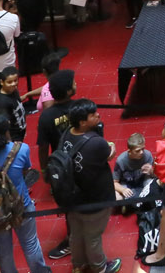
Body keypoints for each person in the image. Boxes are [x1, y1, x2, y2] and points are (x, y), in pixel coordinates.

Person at [0, 112, 52, 273]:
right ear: (7, 132)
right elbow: (26, 171)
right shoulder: (21, 150)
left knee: (3, 249)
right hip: (22, 206)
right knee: (30, 243)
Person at [54, 100, 124, 273]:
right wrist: (112, 146)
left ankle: (78, 265)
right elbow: (109, 154)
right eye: (93, 115)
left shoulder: (66, 134)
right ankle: (99, 268)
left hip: (71, 197)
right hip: (95, 199)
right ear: (83, 122)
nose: (98, 115)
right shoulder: (96, 143)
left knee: (76, 234)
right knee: (93, 236)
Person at [114, 135, 165, 268]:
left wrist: (152, 171)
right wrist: (122, 189)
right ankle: (131, 205)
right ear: (130, 151)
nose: (141, 153)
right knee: (116, 196)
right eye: (138, 150)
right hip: (129, 186)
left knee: (154, 185)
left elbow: (157, 178)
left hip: (144, 184)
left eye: (142, 149)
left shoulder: (148, 156)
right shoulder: (121, 160)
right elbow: (114, 182)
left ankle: (138, 205)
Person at [0, 66, 29, 139]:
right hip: (14, 137)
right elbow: (4, 125)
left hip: (20, 131)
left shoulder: (13, 90)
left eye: (15, 80)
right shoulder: (1, 103)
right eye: (9, 82)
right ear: (1, 82)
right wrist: (10, 143)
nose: (13, 84)